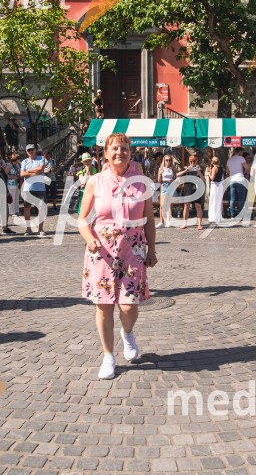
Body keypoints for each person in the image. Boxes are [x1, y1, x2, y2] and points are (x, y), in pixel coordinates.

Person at [78, 132, 157, 379]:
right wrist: (89, 238)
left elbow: (150, 219)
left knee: (128, 305)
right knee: (103, 307)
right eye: (114, 148)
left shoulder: (142, 182)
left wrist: (152, 249)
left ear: (130, 152)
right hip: (101, 250)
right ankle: (108, 357)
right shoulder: (95, 181)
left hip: (132, 248)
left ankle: (127, 332)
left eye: (123, 148)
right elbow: (82, 219)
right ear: (106, 153)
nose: (119, 152)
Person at [20, 144, 48, 236]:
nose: (30, 152)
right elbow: (21, 174)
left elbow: (40, 169)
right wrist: (34, 173)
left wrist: (28, 172)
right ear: (26, 152)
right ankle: (28, 229)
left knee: (41, 209)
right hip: (28, 188)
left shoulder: (41, 158)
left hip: (40, 188)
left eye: (32, 149)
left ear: (35, 150)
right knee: (27, 208)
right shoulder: (24, 161)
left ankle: (41, 229)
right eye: (28, 150)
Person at [177, 154, 204, 230]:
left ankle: (199, 224)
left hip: (196, 189)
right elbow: (177, 175)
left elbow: (203, 179)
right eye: (191, 161)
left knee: (198, 206)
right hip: (187, 188)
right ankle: (185, 223)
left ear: (196, 161)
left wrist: (199, 172)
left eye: (194, 161)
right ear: (189, 162)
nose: (192, 163)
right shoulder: (186, 168)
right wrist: (185, 170)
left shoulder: (199, 169)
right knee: (186, 206)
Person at [226, 147, 248, 220]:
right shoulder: (241, 158)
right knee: (241, 199)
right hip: (240, 180)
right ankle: (240, 215)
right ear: (240, 152)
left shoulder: (229, 160)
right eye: (242, 152)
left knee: (232, 199)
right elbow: (247, 167)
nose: (242, 154)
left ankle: (232, 215)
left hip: (232, 180)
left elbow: (227, 172)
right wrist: (244, 172)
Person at [156, 155, 175, 228]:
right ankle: (161, 221)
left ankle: (168, 221)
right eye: (167, 160)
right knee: (162, 205)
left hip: (170, 185)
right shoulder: (161, 168)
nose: (168, 162)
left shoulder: (172, 167)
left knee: (169, 204)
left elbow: (178, 173)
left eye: (170, 160)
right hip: (164, 185)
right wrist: (160, 174)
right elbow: (159, 180)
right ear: (164, 161)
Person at [207, 157, 224, 224]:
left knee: (213, 201)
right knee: (218, 201)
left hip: (214, 185)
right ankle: (218, 216)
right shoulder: (221, 168)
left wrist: (209, 173)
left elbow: (212, 178)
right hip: (220, 185)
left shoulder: (214, 168)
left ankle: (213, 216)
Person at [6, 152, 21, 219]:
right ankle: (11, 212)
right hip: (11, 184)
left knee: (16, 198)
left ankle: (17, 210)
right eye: (18, 159)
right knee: (12, 198)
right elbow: (5, 174)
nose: (18, 160)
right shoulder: (9, 166)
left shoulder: (17, 165)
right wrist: (12, 176)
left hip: (17, 183)